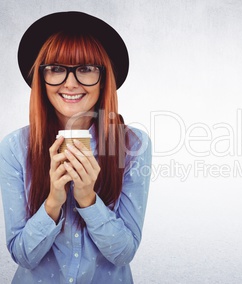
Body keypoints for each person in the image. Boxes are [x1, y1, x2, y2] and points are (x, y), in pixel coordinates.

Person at [0, 11, 152, 283]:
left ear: (104, 77)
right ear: (41, 77)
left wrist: (87, 198)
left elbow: (124, 252)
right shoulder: (14, 148)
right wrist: (53, 201)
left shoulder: (132, 145)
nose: (70, 83)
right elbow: (23, 255)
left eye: (85, 69)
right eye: (56, 69)